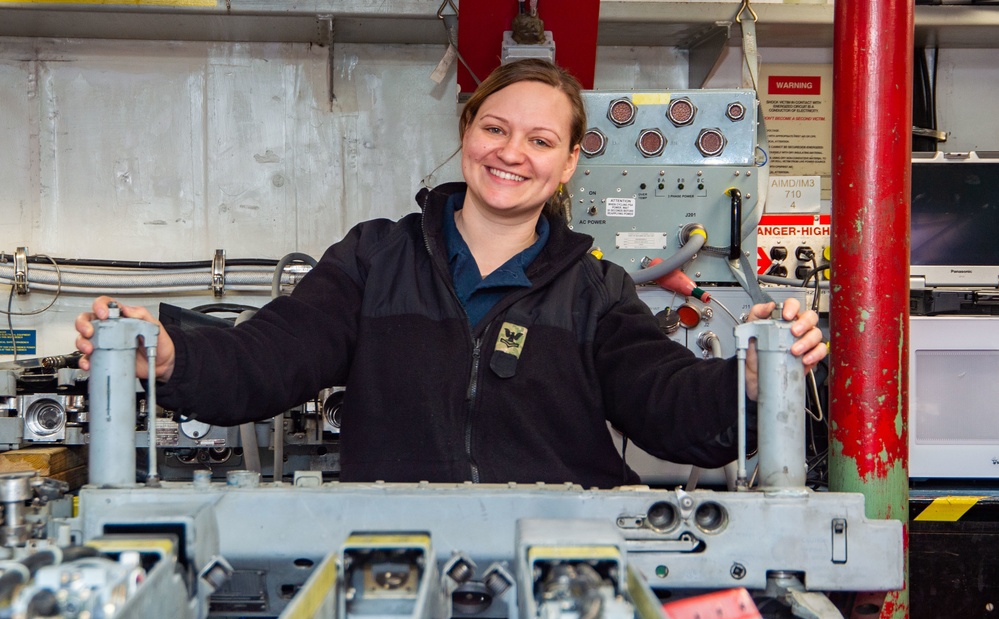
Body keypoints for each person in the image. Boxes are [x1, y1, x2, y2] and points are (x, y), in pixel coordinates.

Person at [75, 58, 827, 488]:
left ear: (568, 163)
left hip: (563, 561)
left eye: (540, 140)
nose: (510, 153)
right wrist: (171, 350)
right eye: (494, 128)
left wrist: (750, 382)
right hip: (396, 556)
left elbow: (664, 403)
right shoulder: (374, 259)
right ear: (465, 133)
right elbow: (268, 358)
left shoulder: (593, 288)